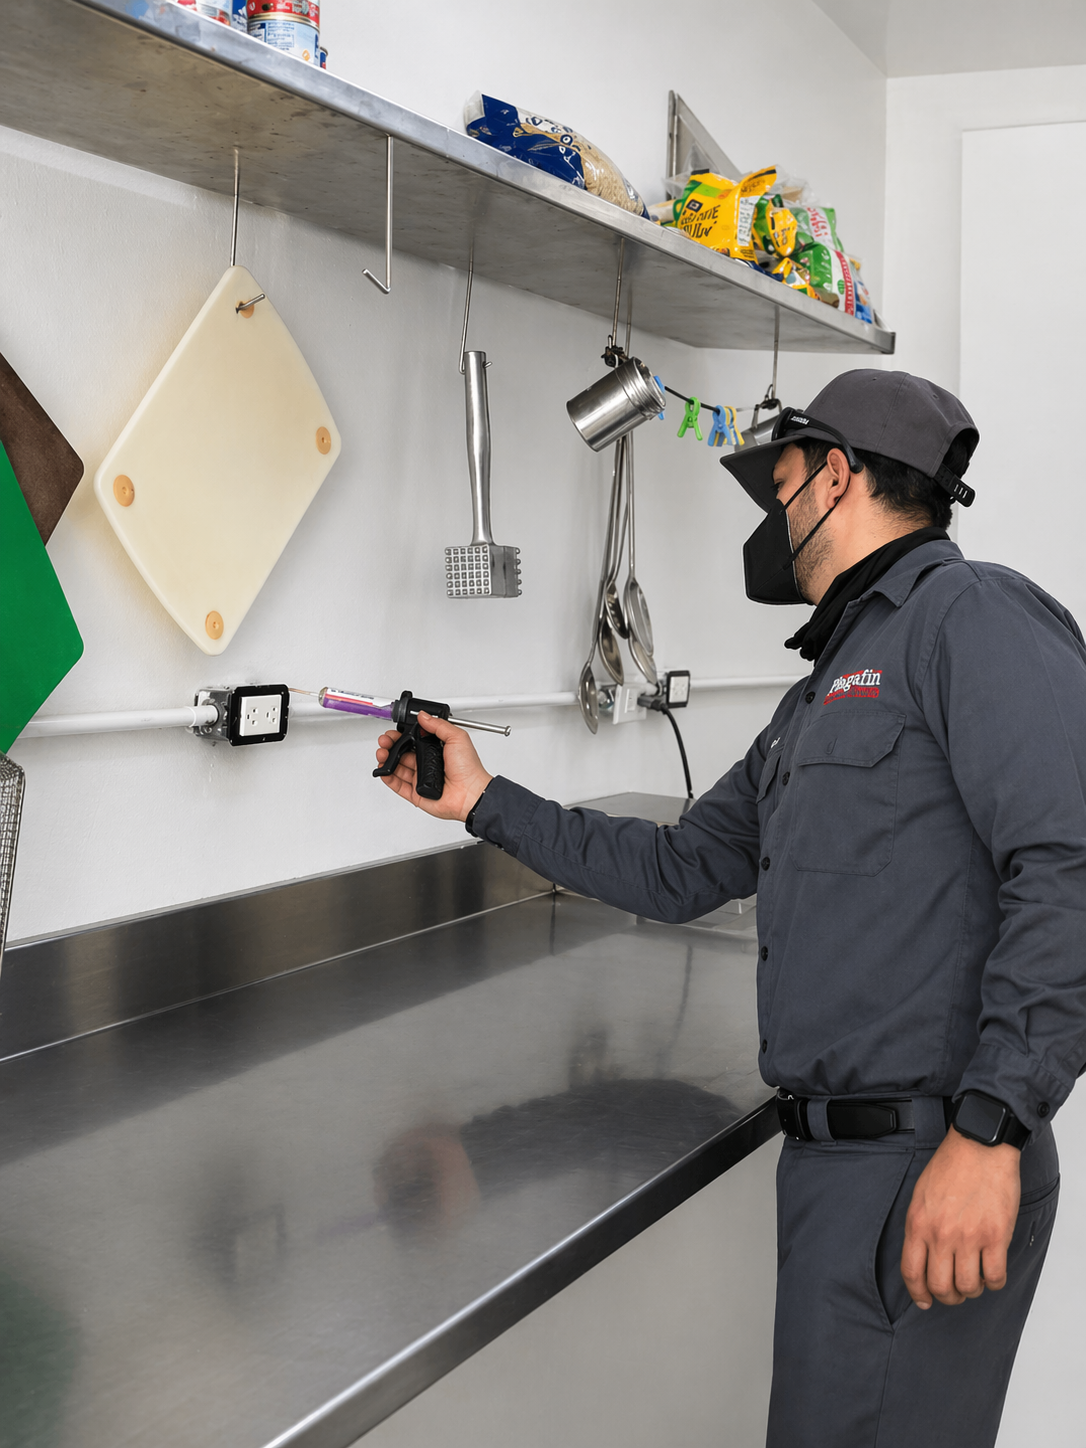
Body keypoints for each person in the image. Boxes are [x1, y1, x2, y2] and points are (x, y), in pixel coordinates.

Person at [375, 369, 1086, 1447]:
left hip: (933, 1159)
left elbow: (1070, 862)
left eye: (782, 486)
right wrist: (482, 798)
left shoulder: (970, 616)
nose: (775, 519)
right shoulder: (816, 698)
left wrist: (991, 1131)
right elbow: (680, 866)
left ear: (837, 477)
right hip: (841, 1174)